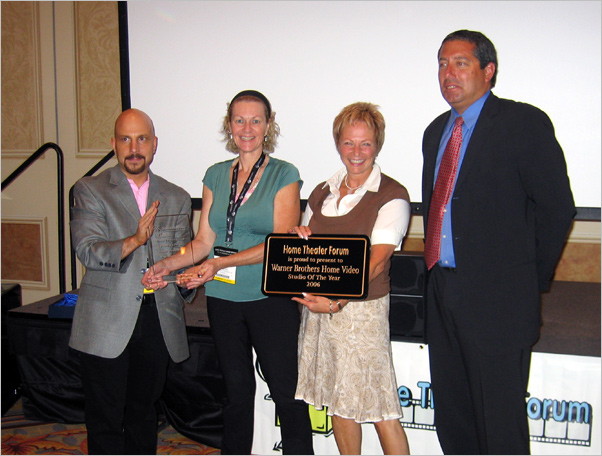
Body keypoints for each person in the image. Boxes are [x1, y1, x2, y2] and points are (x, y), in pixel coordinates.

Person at [422, 30, 576, 454]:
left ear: (488, 71)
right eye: (441, 63)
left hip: (500, 299)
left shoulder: (522, 123)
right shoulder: (436, 131)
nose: (447, 73)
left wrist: (527, 278)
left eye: (460, 63)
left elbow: (557, 208)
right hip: (442, 291)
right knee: (453, 415)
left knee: (499, 422)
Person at [143, 90, 314, 455]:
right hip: (223, 300)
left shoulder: (286, 174)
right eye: (239, 120)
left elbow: (278, 244)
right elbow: (204, 241)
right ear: (229, 125)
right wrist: (165, 265)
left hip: (270, 299)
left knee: (287, 393)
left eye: (256, 120)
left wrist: (219, 264)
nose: (247, 128)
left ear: (268, 125)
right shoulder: (216, 175)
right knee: (236, 394)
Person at [69, 108, 193, 454]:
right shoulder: (90, 190)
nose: (133, 147)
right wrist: (135, 240)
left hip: (157, 320)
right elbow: (89, 251)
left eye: (141, 139)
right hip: (106, 320)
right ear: (113, 144)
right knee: (105, 417)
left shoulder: (177, 196)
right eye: (125, 139)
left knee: (143, 413)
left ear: (154, 145)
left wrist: (186, 281)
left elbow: (182, 255)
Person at [291, 102, 411, 455]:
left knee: (380, 409)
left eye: (366, 144)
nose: (356, 153)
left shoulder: (392, 195)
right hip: (318, 310)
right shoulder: (320, 191)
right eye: (348, 143)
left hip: (361, 312)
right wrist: (299, 239)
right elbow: (307, 253)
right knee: (338, 403)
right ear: (337, 144)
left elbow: (377, 261)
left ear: (378, 145)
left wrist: (338, 301)